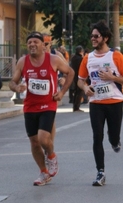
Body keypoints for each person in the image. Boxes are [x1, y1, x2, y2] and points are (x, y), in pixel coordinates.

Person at [9, 31, 74, 186]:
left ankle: (51, 156)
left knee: (43, 138)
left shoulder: (53, 59)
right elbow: (12, 82)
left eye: (35, 42)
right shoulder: (23, 61)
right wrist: (17, 87)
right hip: (30, 105)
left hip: (48, 104)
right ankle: (43, 172)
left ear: (43, 45)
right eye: (29, 42)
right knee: (34, 142)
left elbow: (70, 72)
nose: (32, 45)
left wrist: (62, 92)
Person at [77, 21, 123, 186]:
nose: (92, 39)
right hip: (96, 103)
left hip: (114, 101)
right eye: (92, 36)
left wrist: (113, 78)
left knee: (113, 136)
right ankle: (100, 172)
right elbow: (80, 81)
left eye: (96, 36)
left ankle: (115, 141)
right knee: (97, 136)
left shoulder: (115, 56)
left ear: (105, 38)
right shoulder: (88, 58)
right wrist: (86, 88)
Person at [70, 45, 85, 112]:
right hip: (79, 76)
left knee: (76, 91)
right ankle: (77, 107)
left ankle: (75, 106)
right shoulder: (80, 59)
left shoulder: (73, 58)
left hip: (73, 75)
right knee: (79, 92)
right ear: (81, 51)